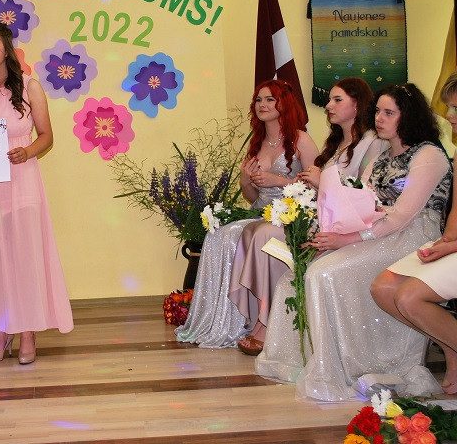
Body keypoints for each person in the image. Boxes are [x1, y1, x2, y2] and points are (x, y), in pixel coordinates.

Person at [256, 83, 452, 401]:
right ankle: (311, 361)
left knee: (324, 273)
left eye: (389, 113)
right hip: (377, 232)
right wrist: (327, 234)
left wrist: (345, 239)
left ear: (409, 116)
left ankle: (354, 365)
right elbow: (361, 203)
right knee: (298, 275)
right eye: (378, 111)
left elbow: (402, 216)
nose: (379, 118)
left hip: (413, 238)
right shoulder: (383, 157)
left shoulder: (428, 154)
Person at [232, 78, 386, 355]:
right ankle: (260, 317)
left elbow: (366, 193)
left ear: (357, 104)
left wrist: (319, 181)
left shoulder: (370, 144)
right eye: (329, 100)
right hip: (319, 216)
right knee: (253, 230)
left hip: (339, 225)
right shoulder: (336, 143)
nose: (328, 106)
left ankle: (268, 324)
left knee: (265, 234)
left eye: (337, 100)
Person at [0, 21, 73, 365]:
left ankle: (28, 331)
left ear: (6, 49)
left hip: (22, 181)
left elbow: (47, 136)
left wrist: (28, 151)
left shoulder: (30, 87)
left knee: (24, 257)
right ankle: (1, 330)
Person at [175, 79, 318, 348]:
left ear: (284, 103)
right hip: (260, 212)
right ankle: (226, 321)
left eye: (270, 99)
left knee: (250, 235)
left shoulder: (301, 139)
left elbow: (315, 189)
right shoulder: (258, 142)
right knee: (219, 235)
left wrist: (278, 181)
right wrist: (245, 180)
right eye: (258, 100)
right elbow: (252, 197)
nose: (262, 104)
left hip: (291, 216)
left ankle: (262, 321)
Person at [372, 72, 457, 395]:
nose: (448, 115)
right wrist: (446, 242)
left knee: (408, 296)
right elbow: (455, 215)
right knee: (383, 288)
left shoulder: (429, 154)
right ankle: (451, 349)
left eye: (455, 108)